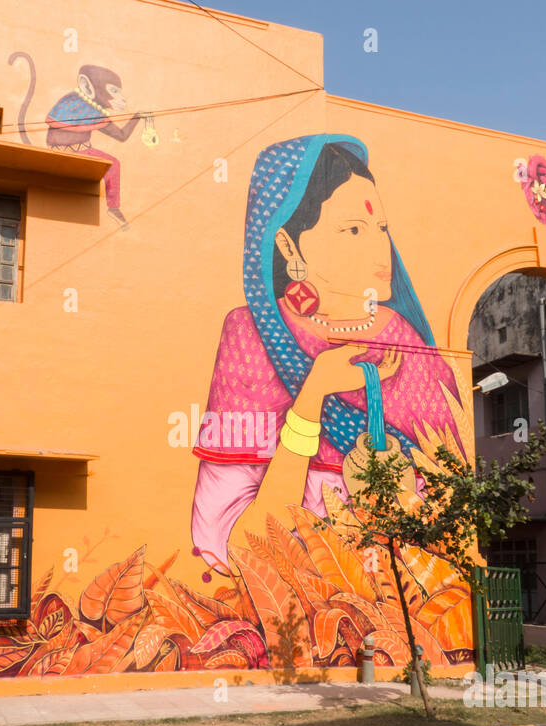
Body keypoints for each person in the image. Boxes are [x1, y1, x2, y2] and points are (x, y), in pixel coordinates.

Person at [190, 135, 465, 568]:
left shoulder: (405, 343)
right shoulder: (252, 334)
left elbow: (453, 513)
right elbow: (226, 543)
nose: (379, 247)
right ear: (287, 245)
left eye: (381, 228)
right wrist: (314, 390)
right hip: (288, 604)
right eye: (353, 229)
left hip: (401, 606)